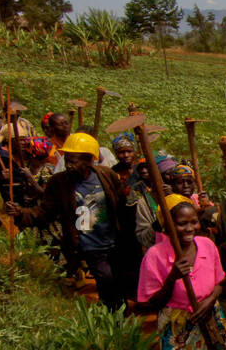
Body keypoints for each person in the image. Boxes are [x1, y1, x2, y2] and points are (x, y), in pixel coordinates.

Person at [7, 133, 135, 310]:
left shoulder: (107, 176)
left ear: (89, 160)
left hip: (113, 240)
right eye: (67, 160)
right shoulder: (59, 182)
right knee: (105, 277)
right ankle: (112, 314)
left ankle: (119, 310)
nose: (69, 165)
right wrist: (21, 213)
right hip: (89, 244)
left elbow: (121, 204)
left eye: (74, 161)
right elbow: (44, 212)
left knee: (118, 279)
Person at [136, 194, 226, 350]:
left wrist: (210, 300)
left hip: (212, 318)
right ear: (167, 226)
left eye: (193, 222)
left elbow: (220, 282)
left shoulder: (207, 245)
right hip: (178, 327)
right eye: (182, 224)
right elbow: (148, 304)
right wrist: (172, 278)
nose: (189, 228)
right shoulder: (155, 256)